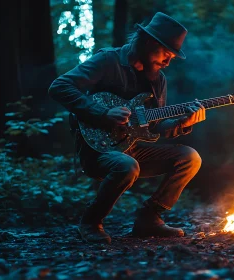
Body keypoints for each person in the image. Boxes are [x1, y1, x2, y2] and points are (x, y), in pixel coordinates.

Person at [48, 12, 205, 244]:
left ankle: (149, 218)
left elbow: (155, 126)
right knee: (126, 165)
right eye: (166, 54)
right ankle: (90, 222)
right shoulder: (108, 61)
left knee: (190, 158)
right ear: (150, 42)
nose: (167, 62)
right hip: (98, 150)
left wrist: (182, 123)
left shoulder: (158, 80)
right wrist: (102, 113)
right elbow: (59, 86)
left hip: (131, 148)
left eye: (172, 57)